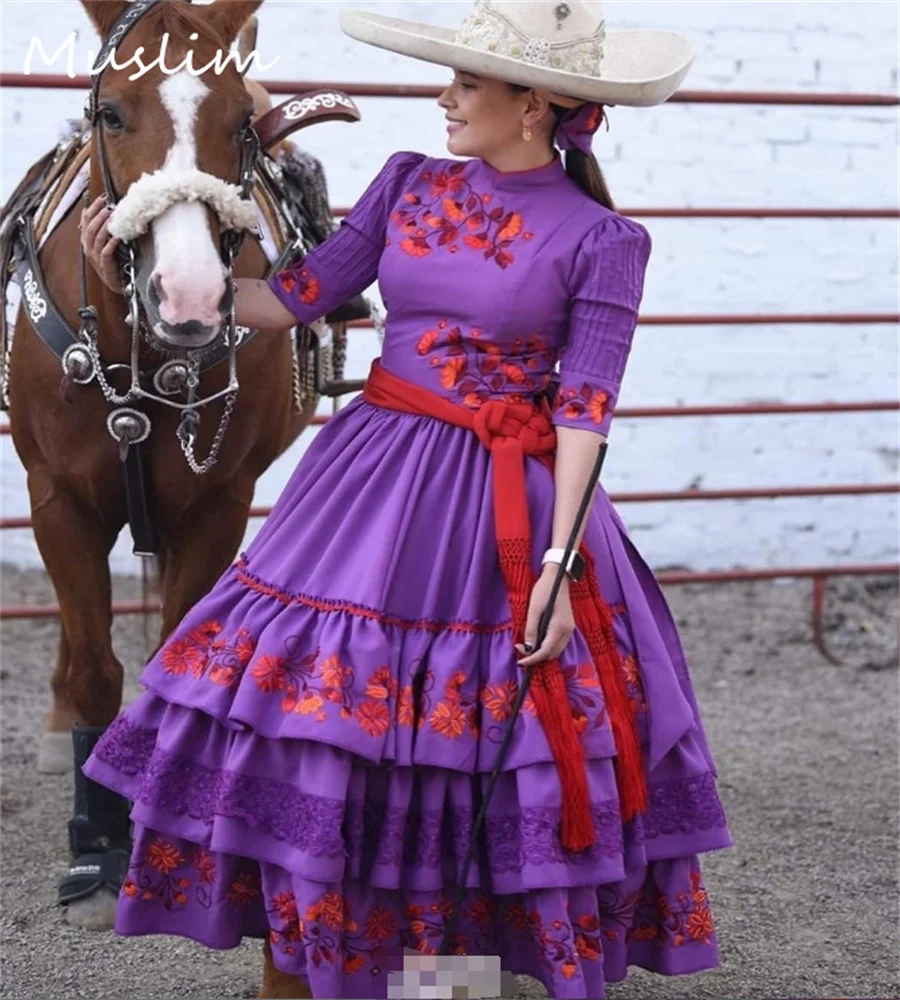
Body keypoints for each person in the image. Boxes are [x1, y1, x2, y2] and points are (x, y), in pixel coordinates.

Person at [79, 2, 732, 998]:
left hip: (508, 506)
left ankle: (450, 973)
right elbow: (288, 301)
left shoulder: (606, 239)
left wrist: (557, 568)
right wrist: (146, 281)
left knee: (476, 743)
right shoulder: (406, 184)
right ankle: (319, 952)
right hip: (368, 488)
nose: (445, 97)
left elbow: (586, 415)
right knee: (319, 713)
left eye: (468, 85)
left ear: (538, 106)